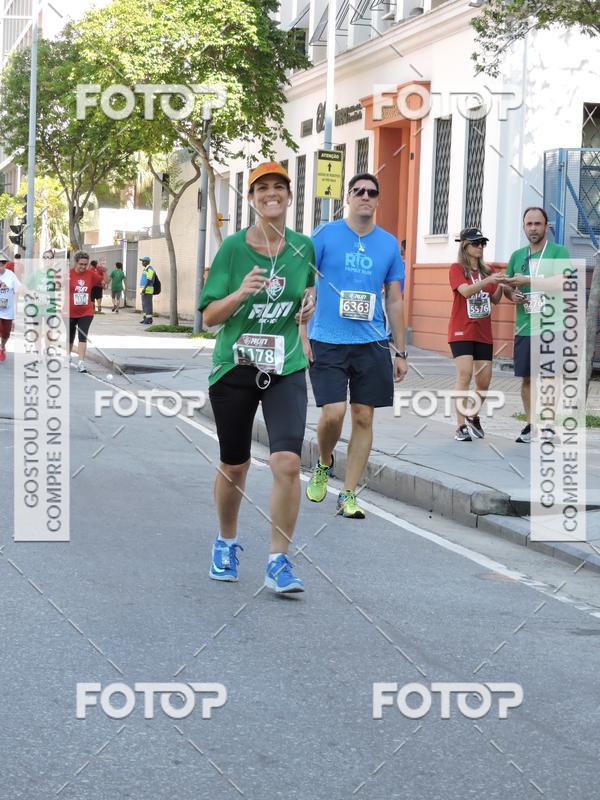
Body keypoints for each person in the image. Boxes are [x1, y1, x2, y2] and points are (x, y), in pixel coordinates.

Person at [199, 162, 315, 594]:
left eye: (278, 188)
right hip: (235, 367)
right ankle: (225, 542)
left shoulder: (304, 247)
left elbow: (306, 292)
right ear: (251, 199)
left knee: (287, 460)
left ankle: (278, 561)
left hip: (285, 367)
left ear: (288, 196)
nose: (271, 194)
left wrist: (309, 307)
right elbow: (210, 316)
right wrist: (240, 292)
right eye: (262, 188)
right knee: (236, 464)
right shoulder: (232, 248)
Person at [303, 172, 407, 520]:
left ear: (378, 200)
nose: (365, 196)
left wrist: (401, 351)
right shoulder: (324, 235)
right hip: (327, 339)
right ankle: (323, 462)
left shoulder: (388, 244)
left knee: (363, 416)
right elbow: (304, 285)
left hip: (372, 343)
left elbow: (394, 299)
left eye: (372, 192)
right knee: (334, 412)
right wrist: (302, 334)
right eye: (358, 191)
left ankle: (348, 493)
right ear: (347, 197)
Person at [503, 207, 570, 443]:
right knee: (528, 378)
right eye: (529, 224)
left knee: (551, 376)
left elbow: (563, 282)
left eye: (538, 224)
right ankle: (531, 425)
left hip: (553, 325)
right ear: (523, 227)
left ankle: (550, 425)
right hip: (525, 326)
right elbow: (507, 287)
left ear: (546, 226)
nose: (533, 228)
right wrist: (513, 294)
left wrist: (529, 280)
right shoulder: (517, 256)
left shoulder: (558, 252)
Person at [448, 228, 507, 441]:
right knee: (464, 374)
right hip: (461, 329)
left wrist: (499, 283)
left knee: (484, 381)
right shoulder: (457, 269)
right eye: (476, 243)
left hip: (483, 332)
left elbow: (496, 299)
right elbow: (465, 291)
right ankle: (460, 425)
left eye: (483, 243)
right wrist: (488, 280)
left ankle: (473, 415)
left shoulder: (487, 270)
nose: (480, 246)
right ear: (465, 246)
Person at [66, 251, 103, 372]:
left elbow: (104, 282)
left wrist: (103, 271)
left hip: (86, 311)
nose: (83, 267)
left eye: (85, 264)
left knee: (83, 336)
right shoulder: (68, 273)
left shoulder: (90, 274)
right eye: (81, 264)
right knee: (70, 336)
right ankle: (68, 357)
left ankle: (81, 362)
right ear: (76, 262)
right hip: (69, 311)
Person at [0, 256, 21, 362]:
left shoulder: (11, 275)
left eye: (2, 263)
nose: (0, 266)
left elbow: (19, 289)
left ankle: (2, 347)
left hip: (8, 310)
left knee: (6, 333)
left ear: (5, 264)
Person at [139, 256, 156, 324]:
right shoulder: (145, 269)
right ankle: (145, 318)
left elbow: (149, 280)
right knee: (144, 305)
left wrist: (144, 289)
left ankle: (149, 319)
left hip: (147, 290)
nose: (142, 262)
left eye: (143, 261)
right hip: (144, 290)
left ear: (147, 262)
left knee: (148, 305)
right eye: (142, 261)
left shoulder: (150, 269)